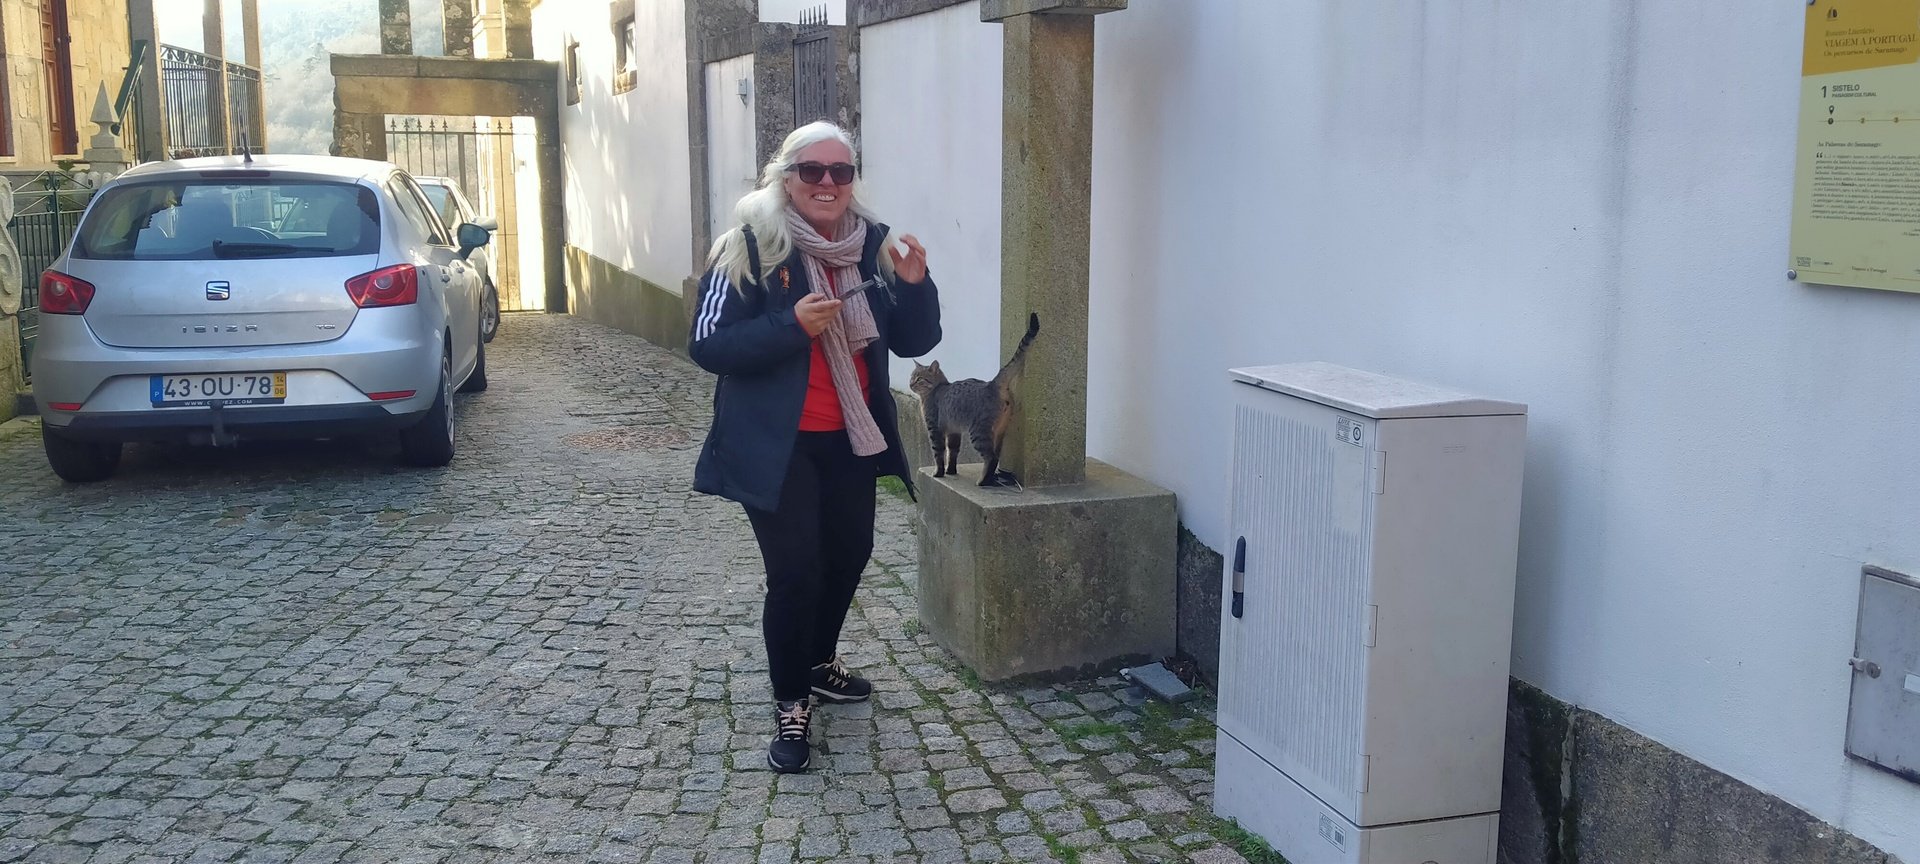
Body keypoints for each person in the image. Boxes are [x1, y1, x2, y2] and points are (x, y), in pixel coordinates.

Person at [688, 121, 942, 773]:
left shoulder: (872, 245)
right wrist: (790, 326)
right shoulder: (750, 245)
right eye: (812, 171)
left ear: (853, 179)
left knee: (850, 553)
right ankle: (791, 703)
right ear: (786, 177)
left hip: (851, 438)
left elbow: (915, 342)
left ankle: (819, 661)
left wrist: (915, 286)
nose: (827, 182)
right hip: (776, 446)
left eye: (841, 171)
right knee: (796, 573)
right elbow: (708, 344)